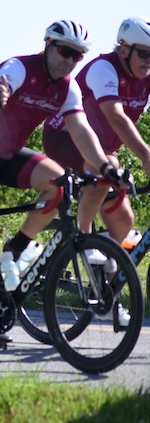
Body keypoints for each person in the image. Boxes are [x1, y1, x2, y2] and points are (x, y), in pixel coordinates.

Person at [0, 20, 122, 344]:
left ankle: (17, 247)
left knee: (60, 184)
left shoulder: (68, 87)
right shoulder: (19, 68)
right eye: (65, 52)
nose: (70, 61)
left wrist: (104, 166)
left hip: (7, 154)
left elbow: (82, 131)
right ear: (48, 46)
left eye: (77, 56)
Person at [43, 17, 150, 260]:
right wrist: (145, 156)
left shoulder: (146, 75)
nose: (148, 61)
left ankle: (104, 287)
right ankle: (83, 240)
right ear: (124, 49)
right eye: (143, 53)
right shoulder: (104, 69)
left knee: (124, 220)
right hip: (65, 139)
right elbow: (116, 116)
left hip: (103, 151)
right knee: (106, 167)